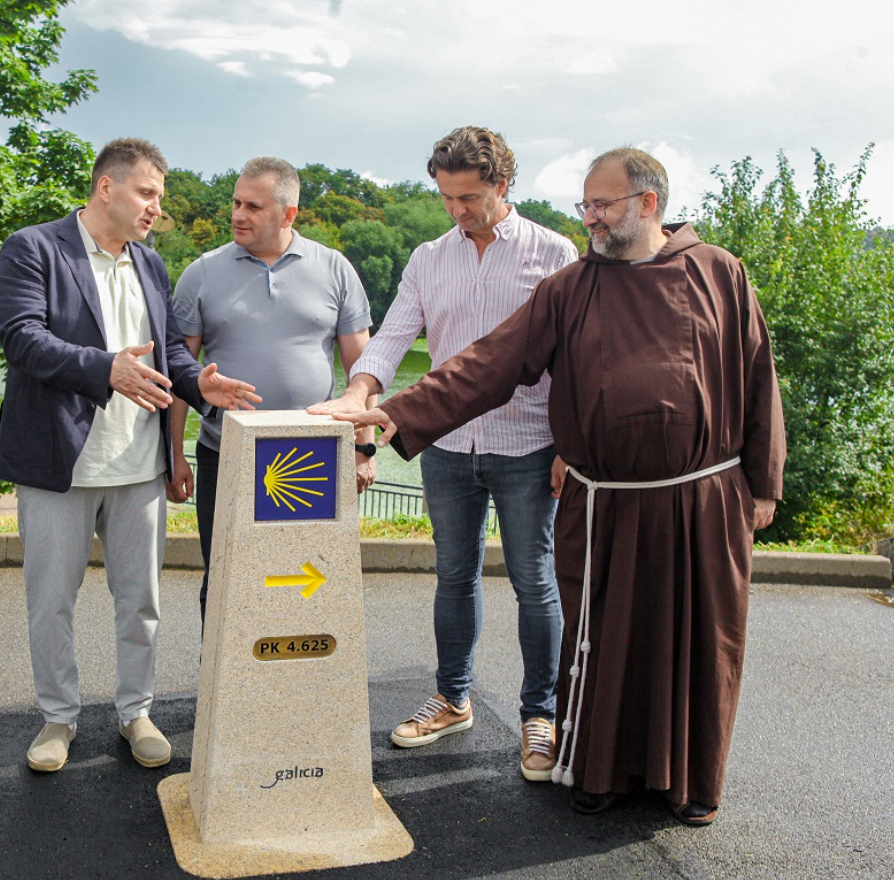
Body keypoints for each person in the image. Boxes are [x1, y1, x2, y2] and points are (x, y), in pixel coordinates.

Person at [329, 147, 785, 826]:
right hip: (606, 503)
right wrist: (392, 411)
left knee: (696, 640)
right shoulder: (575, 287)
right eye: (585, 205)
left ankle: (688, 784)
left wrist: (764, 484)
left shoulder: (719, 273)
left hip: (700, 500)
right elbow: (490, 363)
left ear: (648, 203)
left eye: (601, 206)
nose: (589, 218)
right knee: (599, 640)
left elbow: (757, 380)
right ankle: (600, 769)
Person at [310, 127, 577, 782]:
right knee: (453, 574)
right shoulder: (430, 257)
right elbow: (393, 335)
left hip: (527, 443)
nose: (457, 211)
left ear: (503, 186)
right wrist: (359, 393)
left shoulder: (553, 252)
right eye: (446, 198)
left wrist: (571, 445)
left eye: (469, 197)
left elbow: (576, 358)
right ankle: (452, 699)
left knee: (534, 579)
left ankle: (540, 716)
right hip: (447, 447)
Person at [0, 137, 259, 774]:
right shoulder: (34, 248)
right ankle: (58, 718)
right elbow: (23, 339)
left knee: (140, 600)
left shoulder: (152, 265)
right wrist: (105, 369)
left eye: (159, 198)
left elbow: (169, 354)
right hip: (60, 462)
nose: (154, 209)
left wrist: (200, 386)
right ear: (105, 187)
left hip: (139, 467)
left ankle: (135, 711)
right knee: (51, 599)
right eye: (147, 193)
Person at [167, 156, 376, 621]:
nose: (238, 214)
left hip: (314, 457)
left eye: (254, 206)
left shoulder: (335, 269)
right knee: (224, 577)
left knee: (307, 578)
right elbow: (180, 369)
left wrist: (365, 447)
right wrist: (174, 454)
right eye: (236, 202)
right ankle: (221, 690)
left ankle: (293, 687)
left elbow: (361, 367)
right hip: (225, 454)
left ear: (289, 214)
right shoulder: (201, 273)